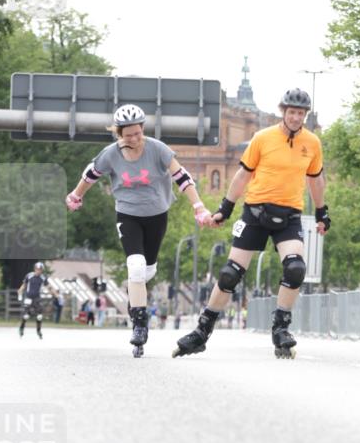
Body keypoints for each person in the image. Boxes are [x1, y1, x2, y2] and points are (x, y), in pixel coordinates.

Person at [173, 88, 331, 360]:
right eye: (291, 112)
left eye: (301, 113)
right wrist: (225, 208)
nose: (295, 117)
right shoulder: (262, 138)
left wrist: (321, 213)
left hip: (289, 215)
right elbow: (242, 176)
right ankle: (201, 332)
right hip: (255, 213)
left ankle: (280, 329)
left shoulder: (312, 143)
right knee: (230, 274)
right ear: (284, 112)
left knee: (295, 268)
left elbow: (315, 180)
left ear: (305, 115)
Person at [65, 104, 211, 358]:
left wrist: (198, 206)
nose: (133, 138)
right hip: (128, 214)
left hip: (157, 215)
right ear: (119, 133)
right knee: (135, 265)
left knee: (147, 270)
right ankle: (140, 324)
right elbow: (90, 175)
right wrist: (76, 196)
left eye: (137, 132)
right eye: (127, 134)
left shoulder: (158, 149)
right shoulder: (110, 154)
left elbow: (182, 177)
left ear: (143, 128)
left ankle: (137, 301)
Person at [18, 262, 49, 339]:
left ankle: (38, 331)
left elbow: (49, 287)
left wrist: (57, 295)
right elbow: (24, 285)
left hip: (37, 298)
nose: (38, 271)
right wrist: (20, 292)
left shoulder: (43, 278)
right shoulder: (29, 276)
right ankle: (21, 328)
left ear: (42, 270)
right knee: (26, 316)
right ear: (35, 269)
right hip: (28, 297)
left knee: (39, 316)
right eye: (37, 269)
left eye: (40, 270)